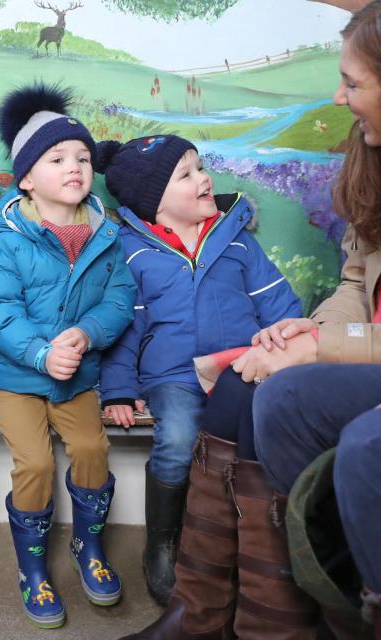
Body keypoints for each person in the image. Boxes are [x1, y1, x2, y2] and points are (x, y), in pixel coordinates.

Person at [96, 134, 302, 607]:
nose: (204, 178)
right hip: (174, 377)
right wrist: (120, 391)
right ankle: (163, 545)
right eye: (185, 174)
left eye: (200, 167)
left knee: (258, 446)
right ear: (155, 203)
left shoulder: (237, 242)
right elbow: (126, 325)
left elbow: (279, 305)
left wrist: (294, 348)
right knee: (177, 440)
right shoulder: (133, 253)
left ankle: (249, 548)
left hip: (243, 369)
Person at [232, 2, 381, 635]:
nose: (338, 96)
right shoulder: (372, 155)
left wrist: (322, 349)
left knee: (365, 447)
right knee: (254, 397)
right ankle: (290, 617)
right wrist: (312, 331)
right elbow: (356, 281)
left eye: (353, 83)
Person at [0, 84, 136, 628]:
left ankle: (88, 550)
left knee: (91, 448)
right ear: (26, 177)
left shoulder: (105, 236)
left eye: (83, 158)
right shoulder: (6, 242)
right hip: (15, 377)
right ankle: (33, 568)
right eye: (58, 158)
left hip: (77, 374)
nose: (75, 167)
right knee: (37, 462)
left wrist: (87, 334)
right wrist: (42, 353)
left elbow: (120, 299)